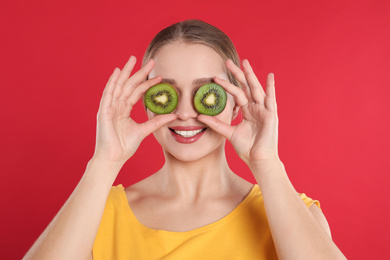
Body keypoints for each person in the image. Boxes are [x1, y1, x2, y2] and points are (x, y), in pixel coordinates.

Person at [24, 20, 346, 260]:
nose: (184, 112)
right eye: (167, 93)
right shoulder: (98, 215)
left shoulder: (293, 214)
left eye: (206, 92)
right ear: (146, 101)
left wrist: (266, 164)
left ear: (236, 101)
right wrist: (105, 161)